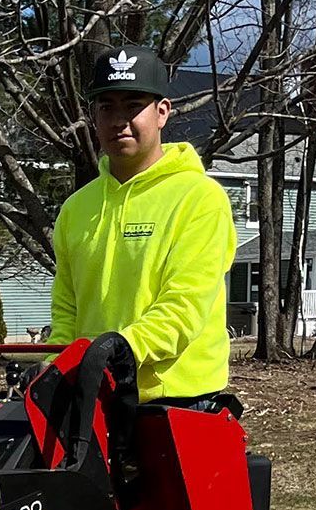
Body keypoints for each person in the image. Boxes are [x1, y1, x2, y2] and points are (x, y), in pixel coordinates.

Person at [49, 42, 236, 404]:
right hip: (93, 394)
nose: (119, 120)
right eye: (107, 107)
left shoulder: (199, 198)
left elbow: (184, 306)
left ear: (162, 112)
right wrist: (56, 364)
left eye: (133, 106)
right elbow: (66, 308)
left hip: (177, 400)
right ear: (94, 116)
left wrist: (121, 349)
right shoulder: (76, 209)